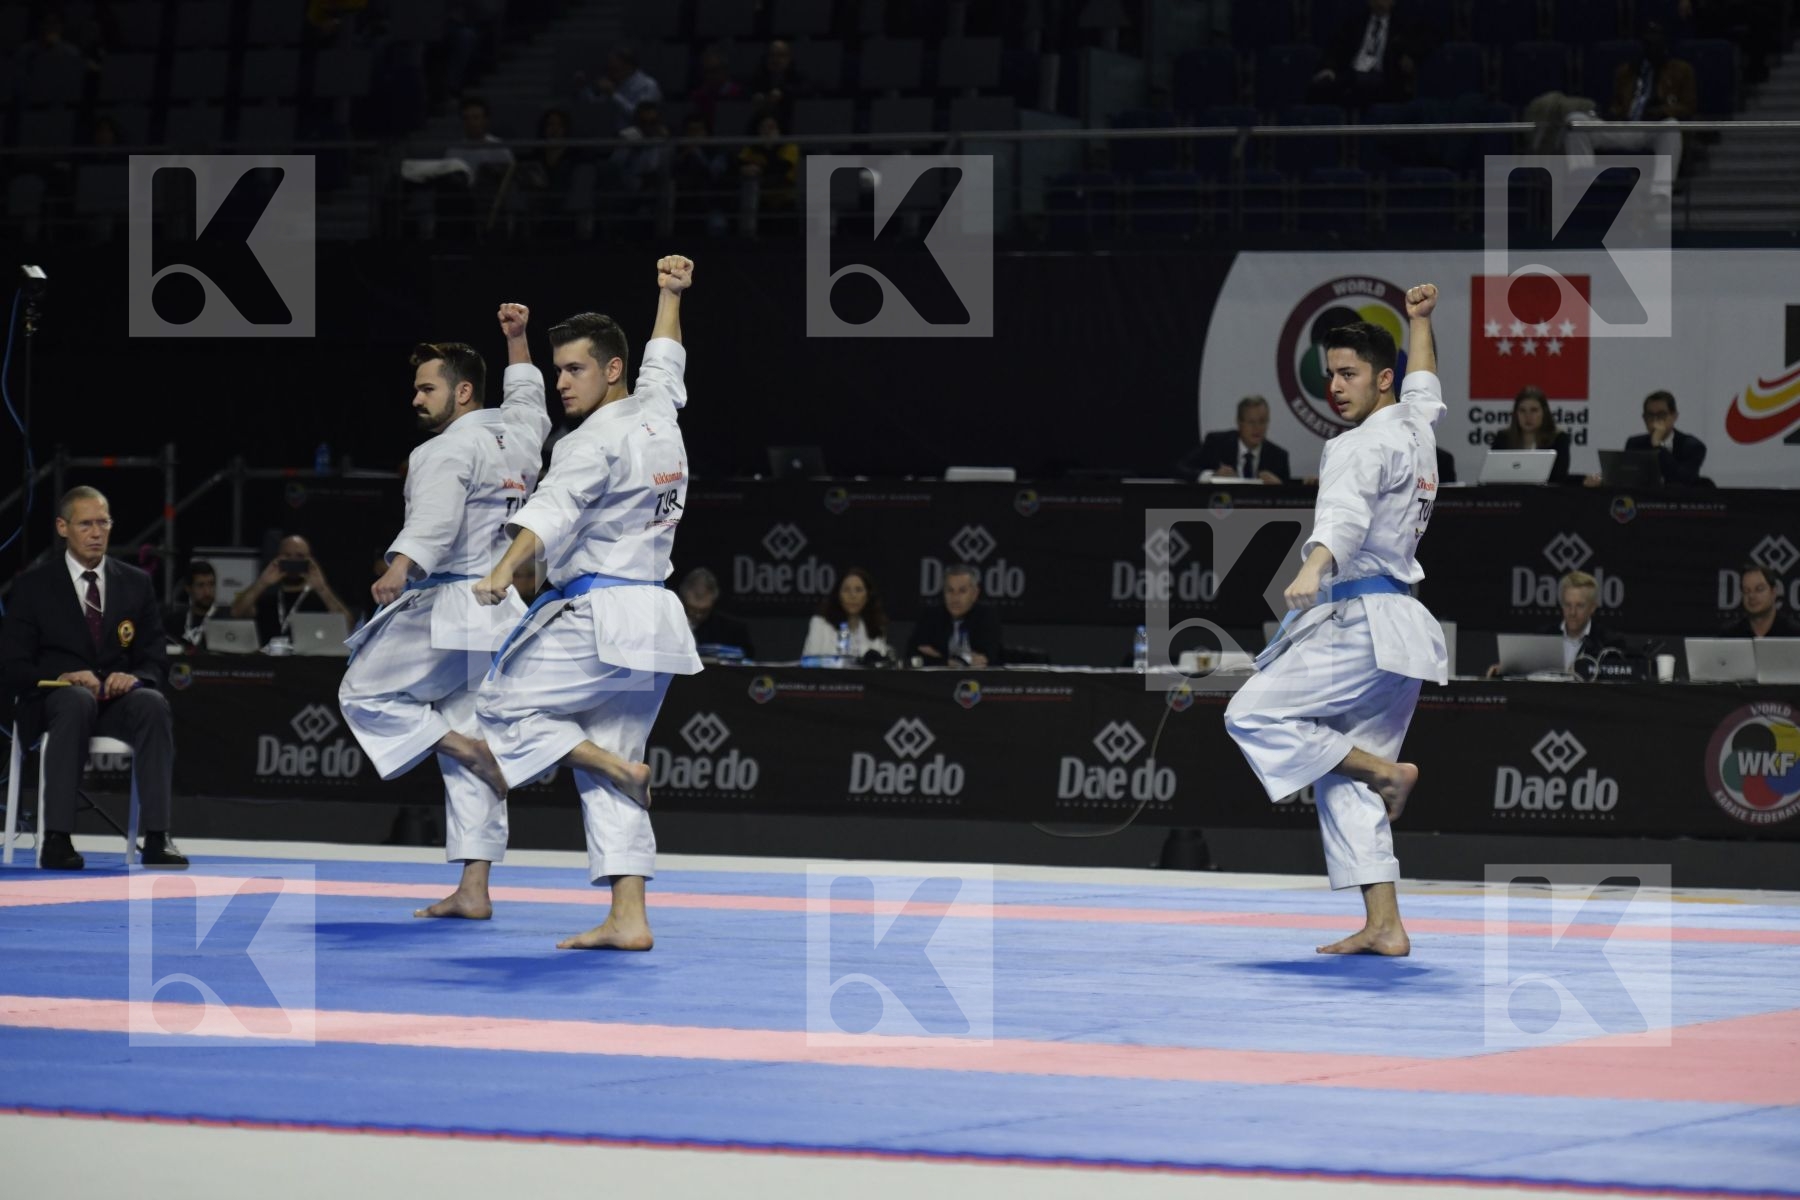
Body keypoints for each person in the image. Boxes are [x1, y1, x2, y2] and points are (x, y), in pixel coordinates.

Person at [472, 255, 704, 952]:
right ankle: (628, 917)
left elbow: (549, 511)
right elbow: (665, 355)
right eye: (557, 370)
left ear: (610, 370)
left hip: (601, 615)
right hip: (655, 620)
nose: (561, 383)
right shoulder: (656, 407)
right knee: (615, 758)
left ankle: (610, 766)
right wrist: (670, 293)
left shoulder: (589, 443)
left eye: (574, 370)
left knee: (498, 704)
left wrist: (499, 571)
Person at [1224, 284, 1450, 957]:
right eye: (1330, 374)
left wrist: (1311, 567)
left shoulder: (1357, 446)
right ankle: (1385, 922)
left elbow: (1344, 519)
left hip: (1362, 620)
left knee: (1250, 713)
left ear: (1382, 379)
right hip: (1404, 632)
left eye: (1349, 373)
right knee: (1341, 772)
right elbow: (1428, 384)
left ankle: (1389, 774)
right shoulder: (1413, 425)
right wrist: (1420, 321)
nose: (1335, 387)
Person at [337, 304, 550, 921]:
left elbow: (433, 522)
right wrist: (517, 339)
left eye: (426, 388)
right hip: (501, 606)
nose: (416, 399)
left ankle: (470, 748)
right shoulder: (519, 433)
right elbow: (529, 395)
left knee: (363, 694)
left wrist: (400, 568)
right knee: (468, 734)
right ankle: (474, 888)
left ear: (461, 392)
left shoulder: (444, 451)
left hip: (450, 599)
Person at [0, 487, 187, 870]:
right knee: (76, 699)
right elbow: (13, 665)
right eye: (86, 524)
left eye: (103, 522)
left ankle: (157, 836)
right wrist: (62, 676)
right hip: (55, 701)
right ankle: (57, 838)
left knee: (152, 701)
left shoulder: (136, 583)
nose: (96, 532)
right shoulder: (33, 586)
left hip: (115, 701)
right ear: (62, 527)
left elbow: (154, 659)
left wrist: (133, 677)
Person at [1564, 22, 1693, 202]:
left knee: (1671, 127)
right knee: (1575, 121)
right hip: (1623, 126)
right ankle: (1582, 185)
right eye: (1648, 41)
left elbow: (1688, 108)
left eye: (1656, 40)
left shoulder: (1681, 70)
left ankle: (1660, 195)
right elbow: (1617, 104)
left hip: (1651, 129)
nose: (1652, 45)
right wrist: (1613, 113)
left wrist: (1661, 111)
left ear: (1665, 43)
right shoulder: (1626, 70)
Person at [1485, 570, 1621, 677]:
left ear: (1592, 607)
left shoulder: (1607, 643)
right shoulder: (1543, 635)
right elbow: (1525, 672)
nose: (1572, 612)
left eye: (1580, 606)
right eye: (1567, 605)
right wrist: (1504, 671)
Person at [230, 533, 354, 646]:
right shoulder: (266, 596)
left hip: (309, 665)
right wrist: (262, 582)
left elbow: (347, 625)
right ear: (278, 559)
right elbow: (236, 613)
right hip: (268, 664)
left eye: (300, 556)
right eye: (287, 555)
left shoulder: (321, 597)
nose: (293, 560)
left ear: (310, 561)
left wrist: (322, 588)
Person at [1307, 0, 1430, 111]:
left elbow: (1431, 37)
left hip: (1385, 79)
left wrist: (1411, 55)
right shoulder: (1354, 23)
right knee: (1319, 87)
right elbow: (1335, 49)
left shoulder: (1404, 24)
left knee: (1353, 84)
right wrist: (1328, 68)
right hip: (1352, 77)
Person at [905, 565, 1005, 667]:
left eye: (962, 591)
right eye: (950, 590)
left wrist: (939, 657)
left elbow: (985, 659)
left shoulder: (986, 616)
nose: (955, 598)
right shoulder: (931, 616)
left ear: (975, 593)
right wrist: (952, 662)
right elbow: (912, 656)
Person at [1182, 395, 1292, 483]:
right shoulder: (1217, 443)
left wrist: (1279, 488)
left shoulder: (1279, 457)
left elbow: (1290, 500)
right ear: (1239, 422)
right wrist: (1213, 476)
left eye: (1262, 421)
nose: (1257, 428)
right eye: (1251, 422)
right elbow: (1181, 468)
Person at [802, 568, 891, 660]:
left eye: (858, 590)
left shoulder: (876, 627)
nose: (853, 595)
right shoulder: (820, 624)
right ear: (838, 595)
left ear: (868, 596)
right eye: (846, 590)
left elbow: (881, 666)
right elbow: (809, 663)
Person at [1489, 384, 1571, 484]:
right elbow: (1491, 476)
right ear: (1516, 414)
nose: (1528, 416)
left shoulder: (1559, 439)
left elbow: (1560, 478)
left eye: (1534, 410)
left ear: (1544, 413)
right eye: (1522, 411)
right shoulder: (1503, 438)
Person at [1622, 390, 1707, 485]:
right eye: (1650, 415)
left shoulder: (1692, 446)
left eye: (1661, 415)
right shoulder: (1635, 444)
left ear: (1674, 416)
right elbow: (1627, 479)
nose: (1655, 421)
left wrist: (1657, 445)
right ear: (1644, 418)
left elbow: (1682, 479)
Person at [678, 567, 754, 657]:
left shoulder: (733, 630)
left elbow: (748, 659)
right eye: (692, 609)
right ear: (683, 599)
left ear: (714, 601)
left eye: (704, 611)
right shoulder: (668, 625)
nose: (698, 615)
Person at [164, 559, 226, 651]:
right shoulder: (173, 622)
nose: (207, 592)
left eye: (211, 584)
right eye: (201, 585)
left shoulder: (224, 621)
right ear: (189, 588)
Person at [1722, 565, 1800, 639]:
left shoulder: (1795, 634)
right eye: (1746, 591)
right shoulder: (1729, 635)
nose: (1751, 596)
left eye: (1759, 589)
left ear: (1773, 592)